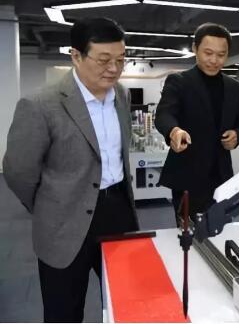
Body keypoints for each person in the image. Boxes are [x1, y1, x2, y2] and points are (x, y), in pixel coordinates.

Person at [3, 18, 139, 322]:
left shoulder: (122, 95)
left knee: (126, 302)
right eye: (103, 60)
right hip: (63, 220)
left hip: (117, 211)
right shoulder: (40, 105)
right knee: (63, 311)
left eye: (120, 60)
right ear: (76, 56)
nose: (114, 69)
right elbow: (18, 171)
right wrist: (48, 204)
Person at [155, 22, 239, 221]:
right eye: (208, 53)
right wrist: (174, 131)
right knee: (189, 234)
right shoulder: (179, 81)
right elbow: (164, 115)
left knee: (223, 228)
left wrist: (237, 135)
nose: (214, 60)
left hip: (222, 176)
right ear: (195, 49)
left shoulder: (235, 87)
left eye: (221, 54)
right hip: (187, 176)